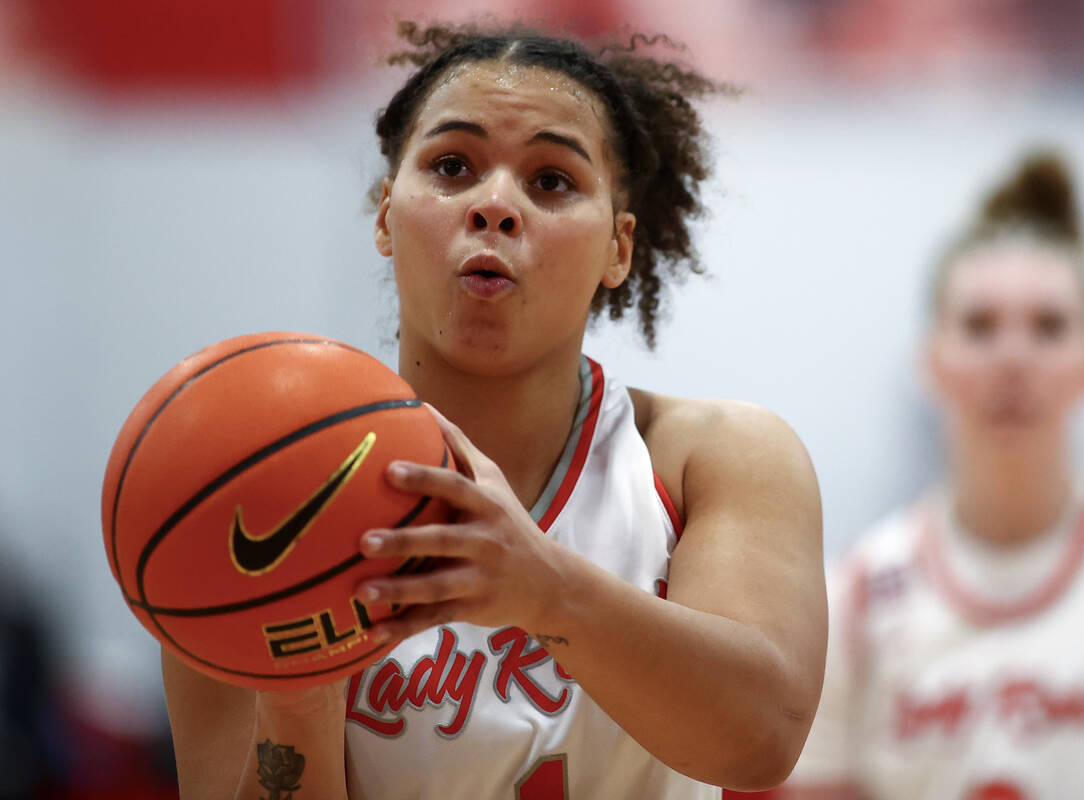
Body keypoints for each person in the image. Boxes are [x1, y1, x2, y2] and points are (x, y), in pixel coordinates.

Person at [160, 22, 827, 800]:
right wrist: (300, 701)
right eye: (452, 166)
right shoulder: (254, 488)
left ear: (618, 248)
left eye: (550, 181)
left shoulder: (710, 459)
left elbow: (761, 741)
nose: (495, 205)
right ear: (384, 216)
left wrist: (542, 588)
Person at [782, 150, 1084, 799]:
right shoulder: (855, 601)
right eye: (979, 326)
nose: (1013, 357)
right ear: (930, 362)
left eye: (1049, 326)